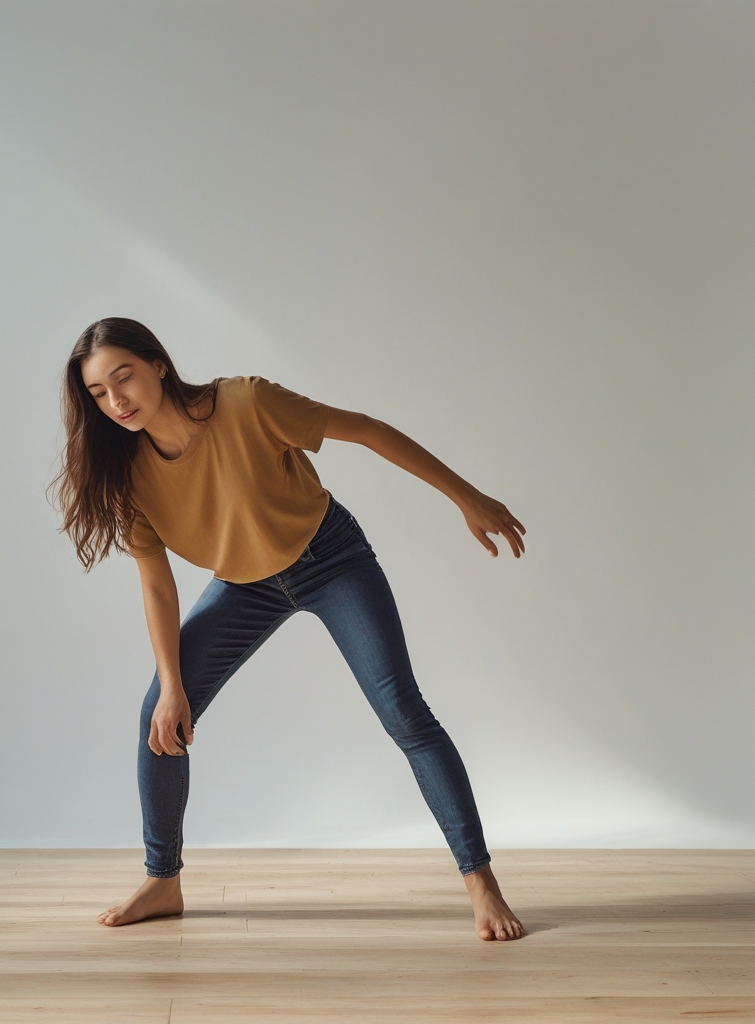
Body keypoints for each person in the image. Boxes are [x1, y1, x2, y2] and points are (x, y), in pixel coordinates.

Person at [52, 317, 526, 941]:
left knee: (403, 713)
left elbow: (366, 430)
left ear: (158, 365)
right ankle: (163, 881)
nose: (117, 401)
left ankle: (481, 884)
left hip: (330, 559)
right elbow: (157, 585)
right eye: (98, 392)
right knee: (159, 719)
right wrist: (172, 685)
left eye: (125, 378)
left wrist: (466, 497)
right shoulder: (129, 475)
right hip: (244, 584)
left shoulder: (246, 403)